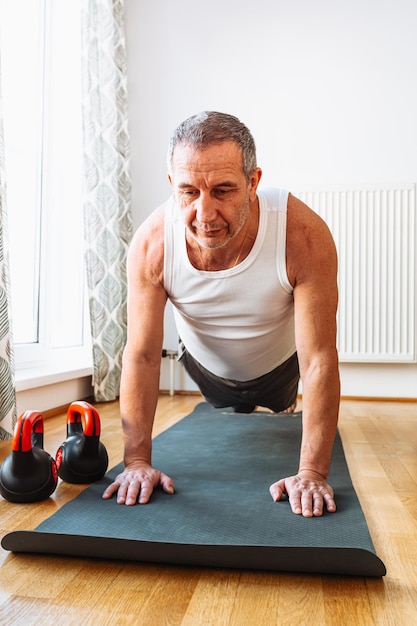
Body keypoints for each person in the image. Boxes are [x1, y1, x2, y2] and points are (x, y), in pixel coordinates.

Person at [102, 111, 340, 518]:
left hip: (282, 371)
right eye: (189, 191)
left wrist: (312, 472)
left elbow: (318, 358)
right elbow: (141, 355)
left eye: (223, 190)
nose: (205, 213)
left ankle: (279, 407)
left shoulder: (301, 233)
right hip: (206, 372)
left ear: (253, 183)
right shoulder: (152, 244)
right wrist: (136, 463)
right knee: (226, 405)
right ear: (171, 186)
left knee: (280, 401)